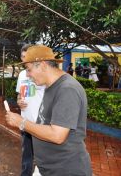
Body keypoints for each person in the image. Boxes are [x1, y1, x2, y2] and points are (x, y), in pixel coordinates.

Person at [6, 45, 92, 176]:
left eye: (29, 70)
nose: (28, 75)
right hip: (47, 168)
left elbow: (57, 136)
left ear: (42, 65)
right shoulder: (49, 86)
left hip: (65, 170)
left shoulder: (67, 89)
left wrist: (22, 123)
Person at [16, 44, 45, 176]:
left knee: (42, 157)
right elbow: (20, 94)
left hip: (40, 123)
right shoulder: (22, 74)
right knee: (26, 156)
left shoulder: (42, 74)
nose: (24, 60)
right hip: (25, 122)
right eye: (22, 57)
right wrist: (19, 102)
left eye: (26, 56)